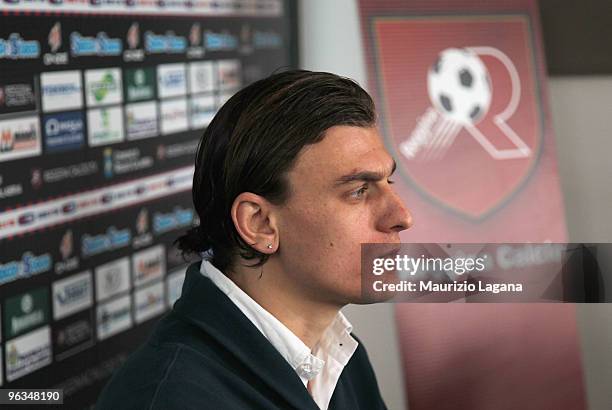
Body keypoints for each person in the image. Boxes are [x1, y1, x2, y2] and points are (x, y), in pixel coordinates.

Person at [96, 70, 412, 410]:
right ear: (259, 224)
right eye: (358, 191)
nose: (401, 216)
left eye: (388, 183)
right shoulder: (174, 398)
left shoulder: (339, 356)